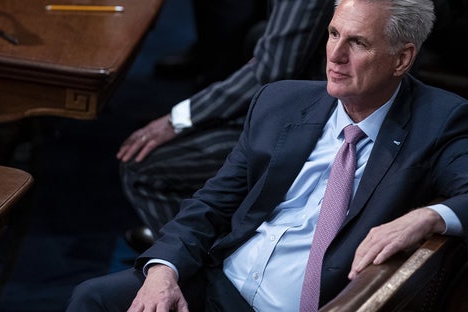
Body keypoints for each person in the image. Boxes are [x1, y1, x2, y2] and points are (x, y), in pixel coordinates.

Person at [67, 0, 468, 312]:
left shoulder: (437, 121)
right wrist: (163, 271)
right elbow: (208, 206)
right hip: (218, 285)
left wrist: (427, 217)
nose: (335, 55)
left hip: (309, 309)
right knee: (95, 299)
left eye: (359, 43)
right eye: (332, 34)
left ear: (403, 57)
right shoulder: (281, 102)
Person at [117, 0, 335, 240]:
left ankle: (197, 260)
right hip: (295, 101)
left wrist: (177, 120)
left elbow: (270, 71)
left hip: (312, 127)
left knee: (144, 167)